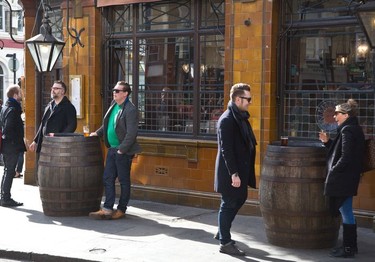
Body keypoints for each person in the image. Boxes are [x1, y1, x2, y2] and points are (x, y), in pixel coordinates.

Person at [214, 83, 257, 256]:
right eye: (248, 99)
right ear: (238, 99)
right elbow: (227, 150)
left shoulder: (239, 117)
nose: (250, 102)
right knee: (229, 203)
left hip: (241, 169)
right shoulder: (227, 120)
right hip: (230, 172)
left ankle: (221, 231)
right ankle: (225, 242)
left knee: (238, 200)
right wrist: (234, 174)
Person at [319, 99, 365, 258]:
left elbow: (345, 157)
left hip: (344, 178)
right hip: (349, 177)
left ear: (345, 115)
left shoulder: (347, 131)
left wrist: (333, 171)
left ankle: (348, 248)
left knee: (346, 212)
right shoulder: (352, 128)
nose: (334, 117)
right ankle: (350, 246)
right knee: (346, 211)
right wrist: (328, 142)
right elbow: (342, 151)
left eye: (337, 114)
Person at [89, 81, 141, 220]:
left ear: (125, 93)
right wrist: (97, 133)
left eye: (117, 91)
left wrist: (121, 150)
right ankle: (107, 209)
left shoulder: (130, 110)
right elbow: (107, 124)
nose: (114, 92)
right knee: (108, 178)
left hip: (122, 151)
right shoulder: (114, 105)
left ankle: (121, 209)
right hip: (112, 149)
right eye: (114, 90)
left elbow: (131, 133)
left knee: (123, 180)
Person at [29, 80, 77, 182]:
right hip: (45, 144)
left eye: (56, 88)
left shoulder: (69, 107)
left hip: (58, 145)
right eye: (52, 88)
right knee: (43, 173)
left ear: (62, 91)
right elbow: (43, 124)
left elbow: (72, 126)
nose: (53, 90)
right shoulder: (50, 105)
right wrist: (35, 140)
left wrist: (58, 136)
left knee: (55, 175)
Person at [0, 85, 26, 207]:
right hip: (11, 145)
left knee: (7, 170)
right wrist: (15, 139)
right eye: (20, 92)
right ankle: (5, 198)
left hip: (7, 145)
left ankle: (3, 197)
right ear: (15, 95)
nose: (22, 95)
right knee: (10, 171)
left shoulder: (6, 107)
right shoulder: (13, 109)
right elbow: (8, 128)